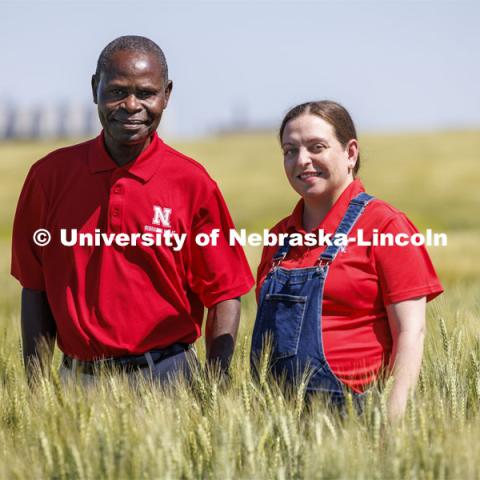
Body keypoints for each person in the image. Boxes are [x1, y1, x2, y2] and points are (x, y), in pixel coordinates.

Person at [11, 35, 254, 384]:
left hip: (169, 379)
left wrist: (216, 385)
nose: (130, 105)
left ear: (166, 94)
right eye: (116, 91)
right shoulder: (49, 177)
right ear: (95, 87)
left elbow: (225, 292)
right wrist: (35, 393)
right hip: (78, 382)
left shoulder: (192, 183)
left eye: (145, 93)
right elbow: (34, 288)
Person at [251, 100, 443, 421]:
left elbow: (411, 332)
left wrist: (390, 425)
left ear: (350, 152)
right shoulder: (278, 239)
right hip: (278, 421)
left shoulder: (386, 226)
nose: (302, 161)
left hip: (357, 419)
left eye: (317, 147)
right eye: (290, 150)